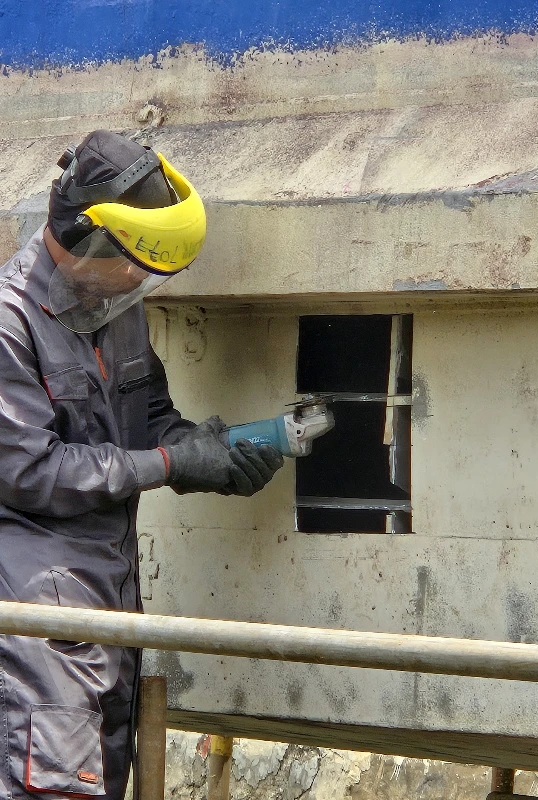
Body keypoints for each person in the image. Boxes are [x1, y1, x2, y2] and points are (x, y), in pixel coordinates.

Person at [0, 130, 283, 799]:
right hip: (42, 620)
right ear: (88, 240)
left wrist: (208, 456)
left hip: (113, 608)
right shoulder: (11, 323)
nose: (139, 282)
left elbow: (149, 412)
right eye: (132, 265)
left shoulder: (112, 305)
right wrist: (168, 462)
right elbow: (30, 472)